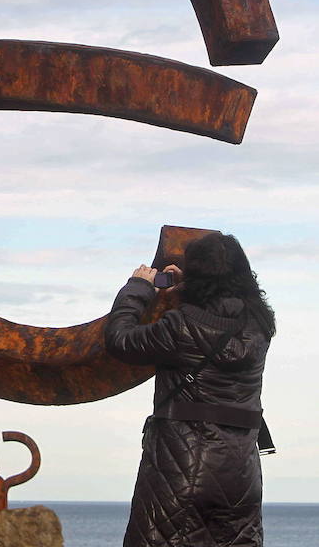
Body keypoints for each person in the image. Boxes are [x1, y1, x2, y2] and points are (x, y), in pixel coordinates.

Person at [105, 232, 275, 547]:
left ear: (196, 275)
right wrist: (192, 288)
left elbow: (120, 339)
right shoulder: (260, 325)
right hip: (242, 472)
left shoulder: (179, 328)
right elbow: (223, 312)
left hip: (181, 467)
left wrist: (138, 287)